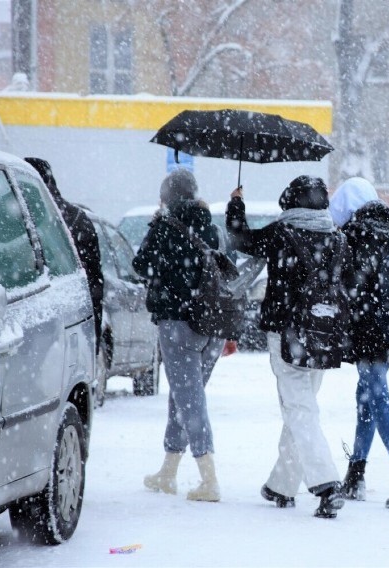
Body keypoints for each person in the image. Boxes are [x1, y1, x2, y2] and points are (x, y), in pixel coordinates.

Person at [226, 175, 349, 519]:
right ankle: (282, 484)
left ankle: (326, 485)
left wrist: (236, 203)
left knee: (299, 410)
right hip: (324, 334)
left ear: (290, 201)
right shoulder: (338, 238)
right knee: (302, 407)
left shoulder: (282, 234)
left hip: (288, 334)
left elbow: (239, 238)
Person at [329, 177, 389, 509]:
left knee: (376, 394)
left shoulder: (356, 232)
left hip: (369, 324)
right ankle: (356, 473)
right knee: (367, 394)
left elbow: (349, 282)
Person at [134, 168, 226, 502]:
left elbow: (139, 265)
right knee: (184, 395)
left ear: (167, 197)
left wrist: (157, 228)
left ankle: (209, 479)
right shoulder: (210, 226)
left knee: (189, 399)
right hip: (210, 324)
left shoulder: (163, 227)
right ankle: (168, 471)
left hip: (177, 324)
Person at [24, 157, 103, 353]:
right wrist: (94, 334)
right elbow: (94, 280)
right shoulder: (77, 218)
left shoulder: (13, 219)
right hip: (71, 316)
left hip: (27, 323)